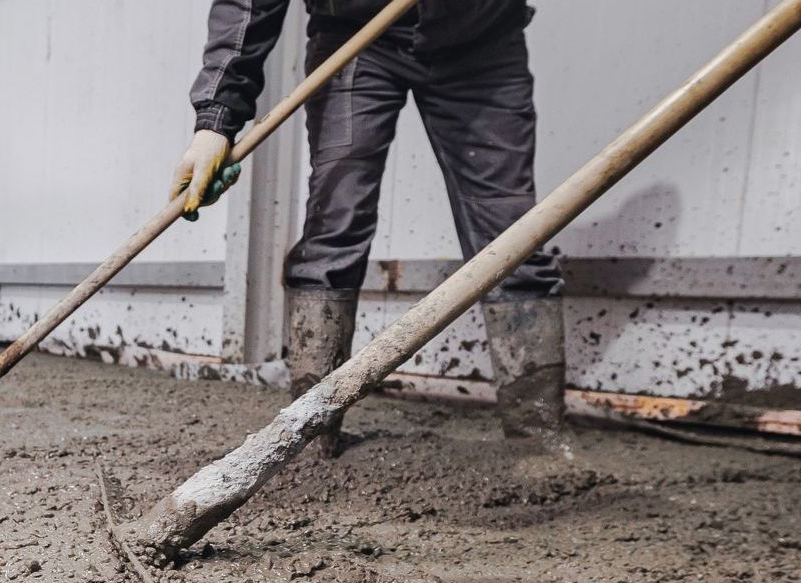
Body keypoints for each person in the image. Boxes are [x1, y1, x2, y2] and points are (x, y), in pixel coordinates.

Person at [174, 0, 569, 456]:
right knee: (334, 227)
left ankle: (540, 444)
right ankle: (309, 439)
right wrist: (216, 120)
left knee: (512, 237)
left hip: (481, 39)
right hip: (354, 34)